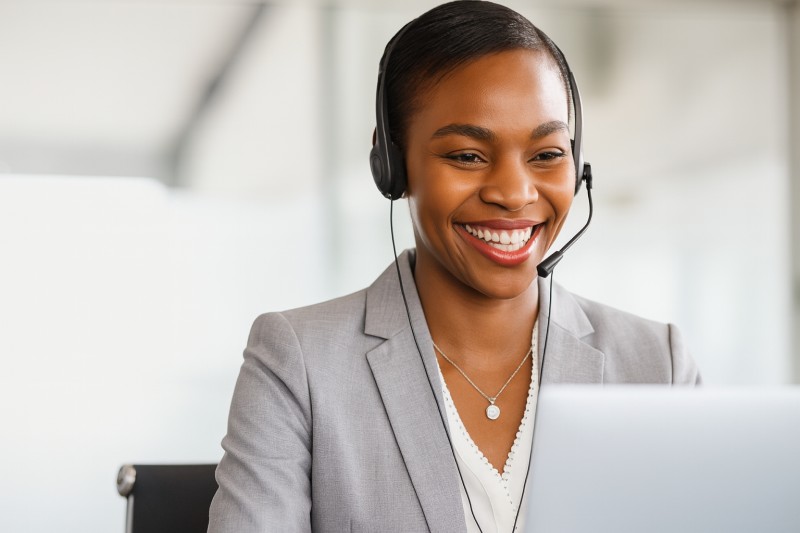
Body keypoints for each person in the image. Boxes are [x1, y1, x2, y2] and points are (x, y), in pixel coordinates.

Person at [207, 2, 702, 532]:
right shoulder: (299, 364)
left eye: (546, 155)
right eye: (467, 156)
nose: (514, 194)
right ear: (393, 168)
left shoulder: (658, 367)